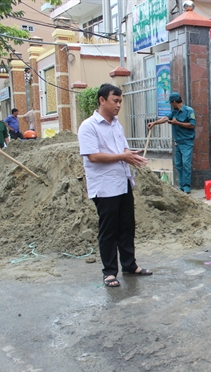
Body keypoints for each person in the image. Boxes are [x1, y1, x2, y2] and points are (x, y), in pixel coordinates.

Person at [78, 83, 153, 288]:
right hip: (104, 187)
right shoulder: (89, 126)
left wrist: (131, 156)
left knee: (127, 227)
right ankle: (109, 273)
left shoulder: (116, 125)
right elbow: (93, 156)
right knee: (109, 231)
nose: (119, 105)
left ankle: (130, 265)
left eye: (120, 101)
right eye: (115, 101)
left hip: (123, 183)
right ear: (102, 100)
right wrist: (123, 156)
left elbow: (123, 147)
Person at [147, 92, 196, 193]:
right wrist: (154, 123)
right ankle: (182, 186)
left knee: (186, 163)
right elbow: (165, 118)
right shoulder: (174, 112)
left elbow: (192, 125)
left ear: (174, 102)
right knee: (178, 164)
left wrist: (177, 123)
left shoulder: (189, 111)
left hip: (186, 142)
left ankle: (187, 186)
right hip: (177, 142)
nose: (170, 104)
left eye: (170, 103)